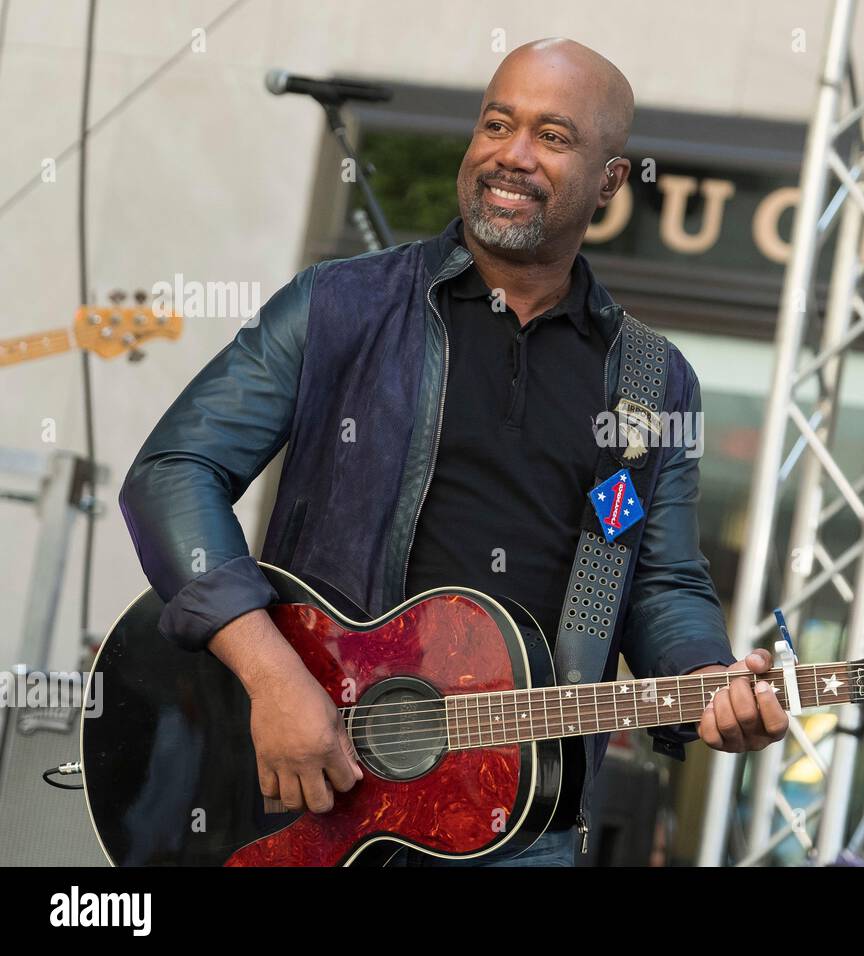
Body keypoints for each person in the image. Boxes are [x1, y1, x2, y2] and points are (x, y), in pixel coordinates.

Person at [119, 37, 787, 867]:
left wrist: (710, 684)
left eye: (552, 136)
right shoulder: (340, 306)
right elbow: (172, 473)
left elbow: (659, 582)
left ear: (611, 182)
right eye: (497, 123)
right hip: (322, 784)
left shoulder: (651, 381)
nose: (511, 155)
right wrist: (271, 677)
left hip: (522, 825)